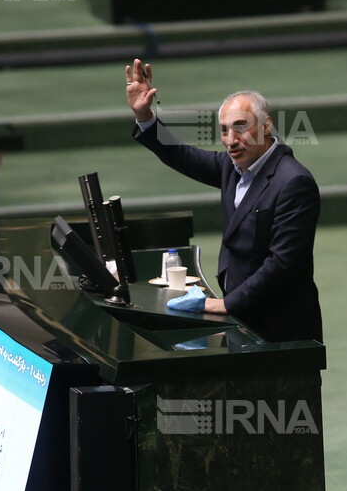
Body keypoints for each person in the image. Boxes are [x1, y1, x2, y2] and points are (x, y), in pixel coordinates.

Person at [125, 58, 323, 343]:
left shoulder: (293, 182)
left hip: (281, 331)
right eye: (225, 129)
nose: (231, 140)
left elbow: (283, 264)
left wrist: (226, 304)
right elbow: (183, 156)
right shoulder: (232, 167)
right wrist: (145, 117)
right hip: (242, 320)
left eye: (240, 127)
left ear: (266, 126)